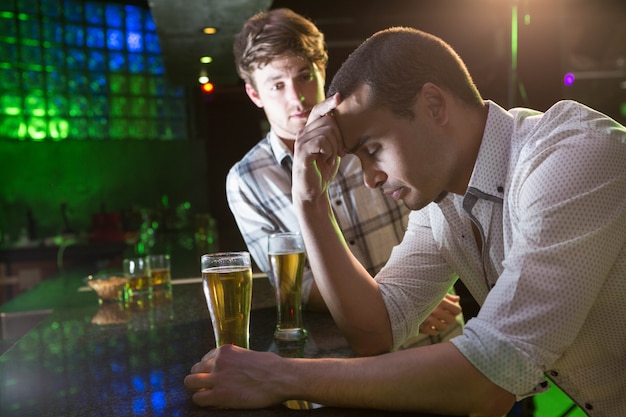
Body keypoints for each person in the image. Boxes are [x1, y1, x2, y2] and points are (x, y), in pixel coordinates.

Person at [186, 27, 626, 416]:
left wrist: (282, 376)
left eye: (372, 149)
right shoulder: (441, 200)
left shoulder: (572, 155)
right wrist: (310, 200)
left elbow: (489, 378)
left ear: (433, 104)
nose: (371, 178)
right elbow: (376, 329)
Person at [226, 8, 463, 342]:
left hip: (440, 332)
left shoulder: (374, 130)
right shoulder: (246, 181)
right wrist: (395, 306)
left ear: (322, 68)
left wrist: (412, 300)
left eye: (304, 76)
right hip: (350, 358)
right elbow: (297, 285)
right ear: (254, 94)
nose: (296, 98)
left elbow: (440, 219)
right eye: (277, 85)